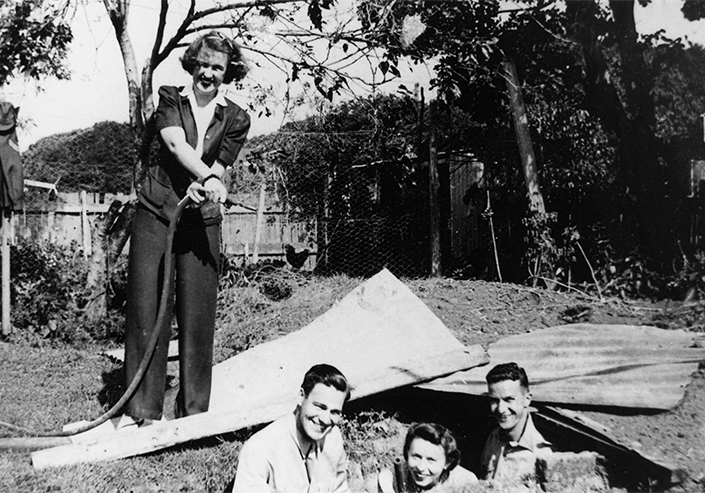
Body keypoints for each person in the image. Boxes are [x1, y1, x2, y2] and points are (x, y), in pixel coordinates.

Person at [123, 30, 251, 424]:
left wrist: (211, 185)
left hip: (200, 222)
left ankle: (192, 413)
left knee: (198, 315)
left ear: (228, 72)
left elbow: (219, 168)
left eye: (218, 67)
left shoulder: (237, 117)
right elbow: (175, 145)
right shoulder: (169, 97)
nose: (208, 73)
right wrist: (208, 180)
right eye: (203, 64)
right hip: (157, 211)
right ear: (192, 64)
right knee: (148, 309)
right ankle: (143, 410)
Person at [232, 364, 353, 493]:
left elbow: (340, 489)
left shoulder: (333, 438)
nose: (325, 419)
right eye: (320, 406)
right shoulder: (260, 449)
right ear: (301, 396)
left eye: (334, 412)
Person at [479, 362, 552, 482]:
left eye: (509, 400)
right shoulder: (493, 439)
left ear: (527, 399)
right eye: (494, 401)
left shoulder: (542, 452)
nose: (501, 409)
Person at [378, 423, 478, 493]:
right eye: (416, 457)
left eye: (431, 460)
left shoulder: (465, 482)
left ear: (447, 462)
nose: (421, 468)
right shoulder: (389, 478)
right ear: (407, 453)